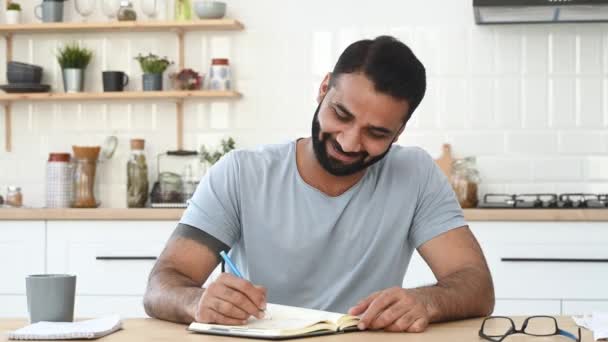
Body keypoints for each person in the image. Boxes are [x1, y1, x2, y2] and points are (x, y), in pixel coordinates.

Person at [143, 35, 495, 333]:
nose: (349, 143)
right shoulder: (240, 172)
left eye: (377, 133)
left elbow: (477, 285)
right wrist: (197, 302)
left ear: (398, 132)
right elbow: (162, 285)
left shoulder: (415, 174)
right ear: (324, 88)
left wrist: (427, 301)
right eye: (341, 115)